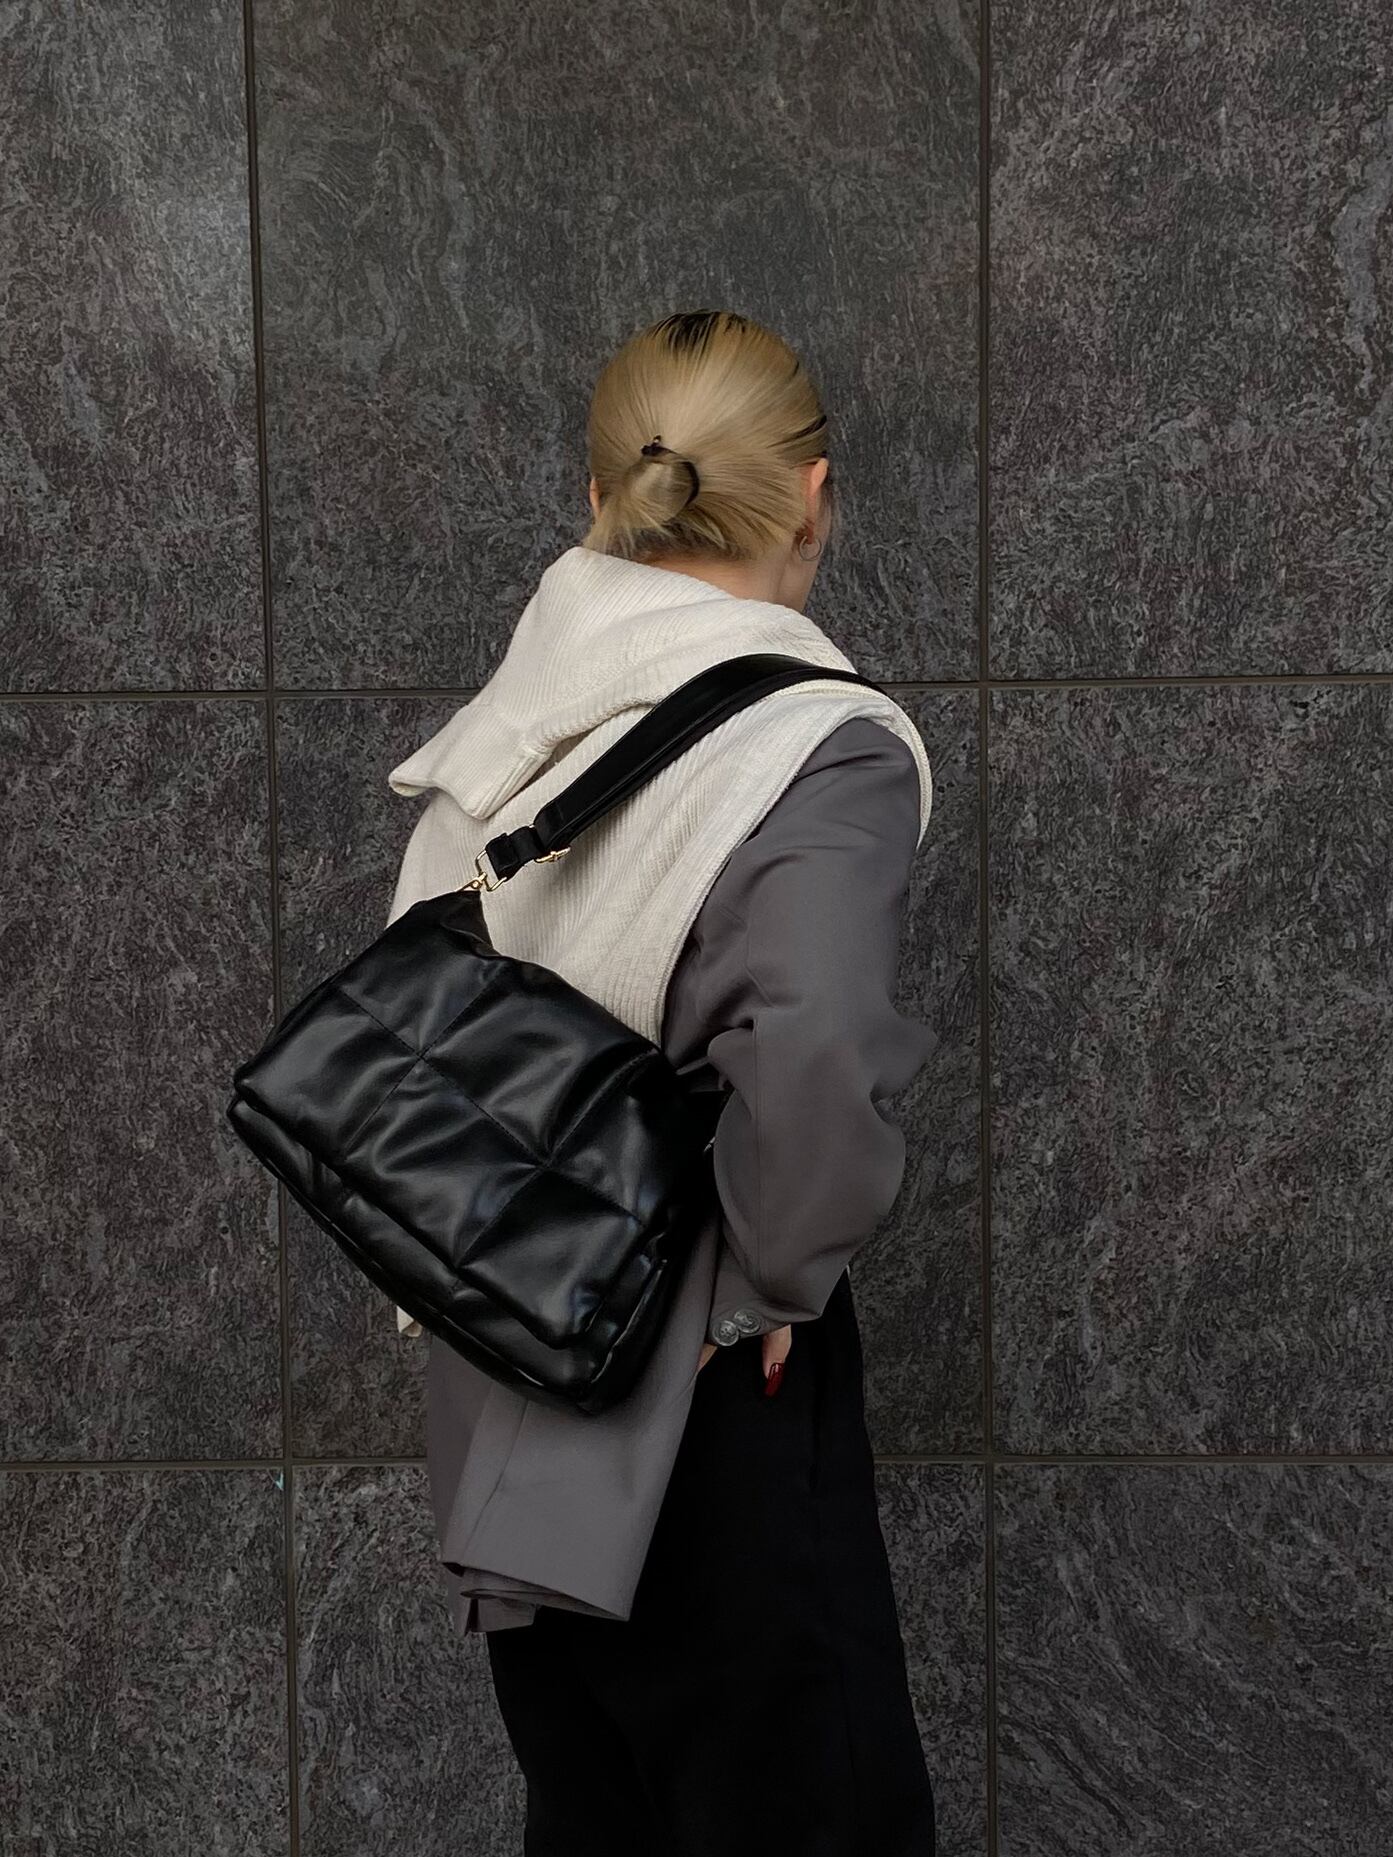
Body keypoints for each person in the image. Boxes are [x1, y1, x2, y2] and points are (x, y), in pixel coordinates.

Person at [383, 309, 938, 1854]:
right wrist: (768, 1284)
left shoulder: (508, 726)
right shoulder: (814, 747)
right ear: (813, 495)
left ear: (599, 497)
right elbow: (814, 1046)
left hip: (504, 1353)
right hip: (702, 1374)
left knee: (597, 1810)